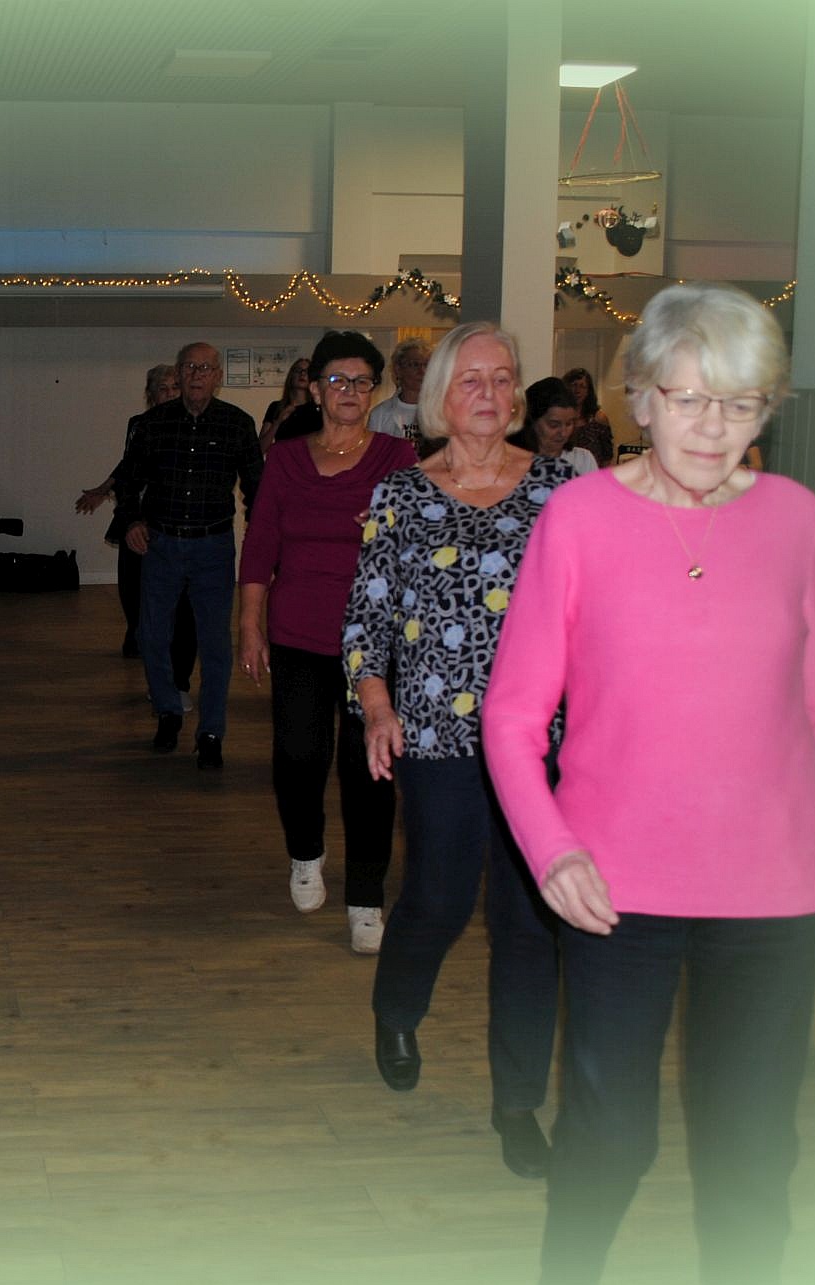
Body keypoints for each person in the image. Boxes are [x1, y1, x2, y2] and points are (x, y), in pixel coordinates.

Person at [482, 282, 815, 1283]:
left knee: (753, 1153)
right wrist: (552, 850)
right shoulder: (580, 517)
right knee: (609, 1138)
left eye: (740, 404)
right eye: (688, 398)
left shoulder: (796, 518)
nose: (712, 426)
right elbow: (510, 716)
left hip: (774, 892)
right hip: (616, 890)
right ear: (642, 398)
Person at [345, 321, 569, 1179]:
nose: (488, 392)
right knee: (437, 898)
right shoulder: (402, 495)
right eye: (470, 378)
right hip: (437, 731)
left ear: (518, 396)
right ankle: (397, 1008)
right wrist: (375, 706)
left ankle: (518, 1102)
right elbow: (366, 618)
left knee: (528, 919)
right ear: (440, 396)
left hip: (543, 737)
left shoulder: (561, 490)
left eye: (502, 378)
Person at [238, 331, 415, 951]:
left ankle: (366, 898)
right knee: (298, 758)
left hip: (376, 644)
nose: (350, 392)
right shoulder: (287, 459)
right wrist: (250, 627)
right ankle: (305, 850)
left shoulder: (397, 457)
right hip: (298, 634)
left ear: (374, 390)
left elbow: (420, 543)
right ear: (314, 389)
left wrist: (390, 529)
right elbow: (260, 547)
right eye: (338, 380)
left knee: (369, 772)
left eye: (362, 381)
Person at [113, 341, 263, 767]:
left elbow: (257, 486)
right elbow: (128, 481)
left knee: (215, 643)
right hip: (161, 544)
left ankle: (211, 732)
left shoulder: (237, 423)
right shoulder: (153, 424)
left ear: (218, 377)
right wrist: (132, 521)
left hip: (213, 547)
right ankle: (168, 711)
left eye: (205, 368)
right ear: (178, 375)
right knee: (151, 635)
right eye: (190, 367)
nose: (197, 375)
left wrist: (263, 534)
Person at [77, 363, 197, 678]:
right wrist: (103, 490)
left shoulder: (191, 424)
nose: (169, 393)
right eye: (162, 388)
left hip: (170, 514)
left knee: (170, 583)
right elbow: (127, 465)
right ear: (151, 394)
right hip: (136, 511)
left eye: (174, 387)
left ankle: (165, 642)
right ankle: (136, 631)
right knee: (131, 580)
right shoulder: (139, 424)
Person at [511, 377, 598, 476]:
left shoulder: (583, 460)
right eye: (554, 425)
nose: (563, 433)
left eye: (569, 424)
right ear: (531, 421)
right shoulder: (512, 460)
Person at [368, 336, 431, 449]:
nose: (422, 371)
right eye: (415, 364)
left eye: (426, 365)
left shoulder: (444, 411)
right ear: (398, 369)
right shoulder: (380, 414)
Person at [257, 356, 314, 452]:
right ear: (291, 376)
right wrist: (278, 422)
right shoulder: (276, 407)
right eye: (298, 370)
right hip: (283, 458)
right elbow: (261, 449)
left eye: (307, 371)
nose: (302, 374)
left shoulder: (318, 409)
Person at [561, 366, 614, 466]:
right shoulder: (560, 418)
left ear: (588, 391)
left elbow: (607, 456)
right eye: (574, 385)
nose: (577, 390)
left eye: (582, 386)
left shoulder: (599, 418)